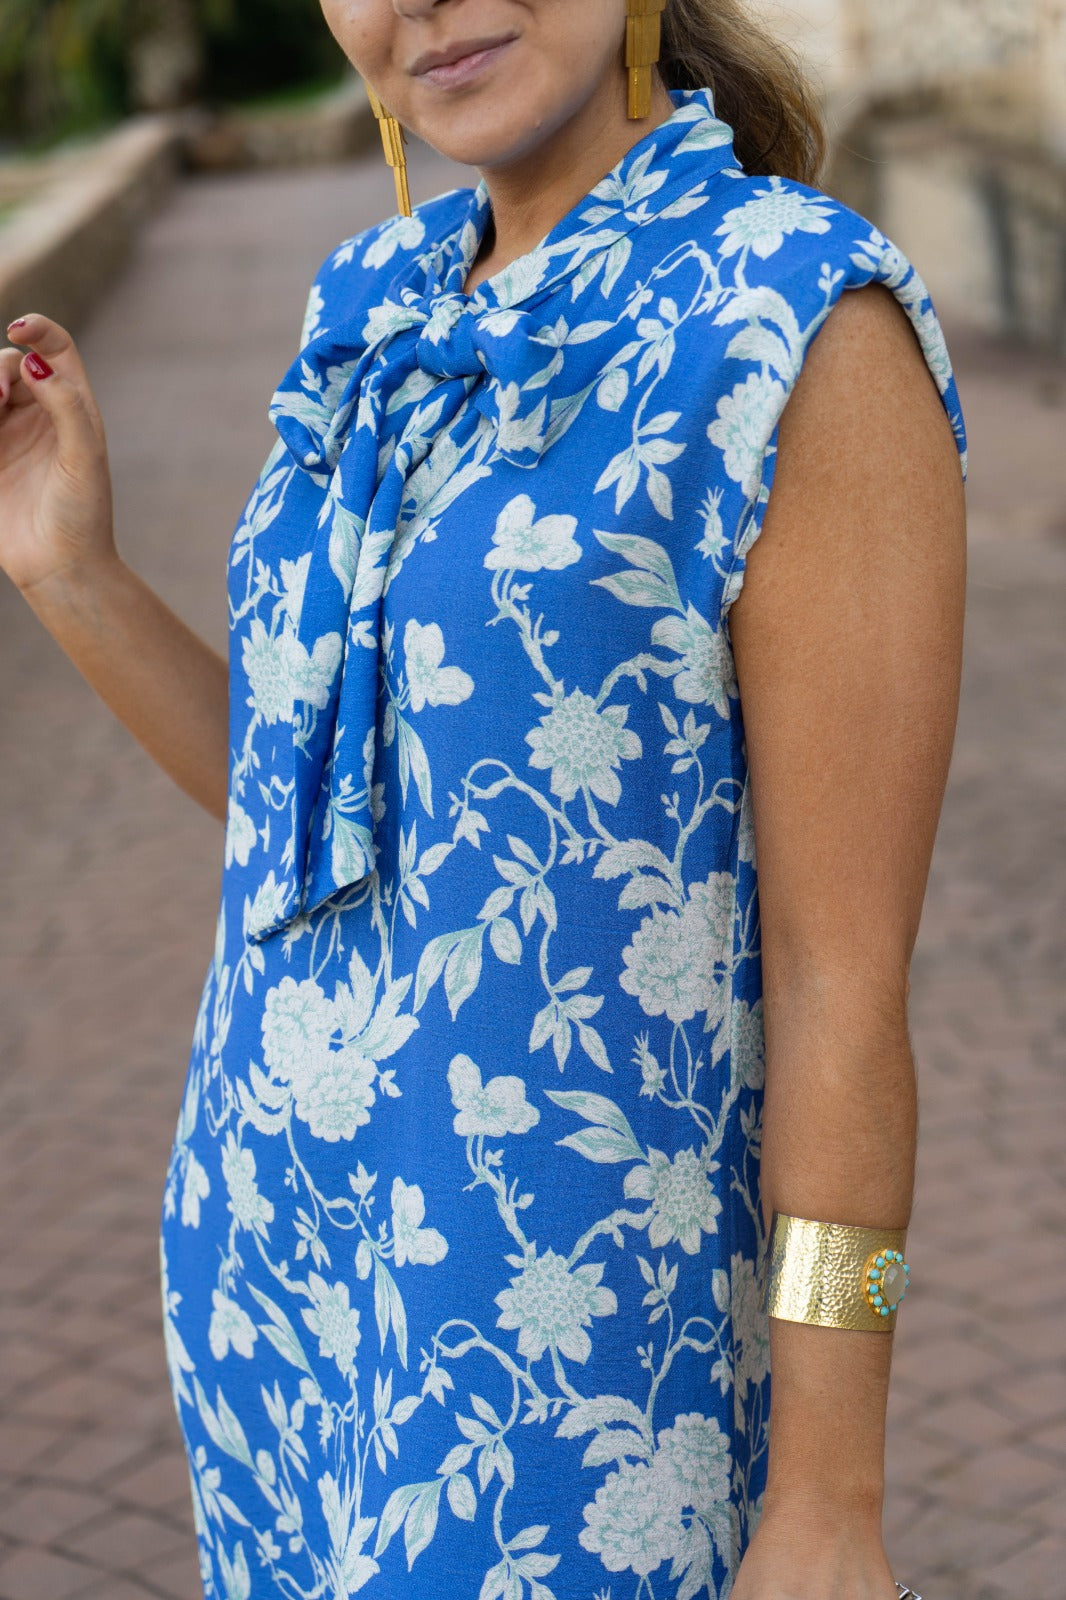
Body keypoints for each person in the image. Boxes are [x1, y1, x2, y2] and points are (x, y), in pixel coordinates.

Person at [0, 1, 967, 1596]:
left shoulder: (793, 318)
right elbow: (313, 805)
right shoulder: (371, 296)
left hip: (568, 1363)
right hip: (278, 1286)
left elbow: (838, 986)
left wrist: (831, 1495)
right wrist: (70, 569)